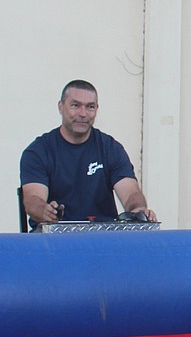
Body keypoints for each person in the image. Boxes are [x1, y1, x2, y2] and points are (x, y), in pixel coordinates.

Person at [20, 79, 157, 230]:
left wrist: (138, 210)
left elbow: (130, 192)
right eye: (75, 105)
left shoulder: (110, 148)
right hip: (53, 241)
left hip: (103, 238)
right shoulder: (38, 151)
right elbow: (33, 200)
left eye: (90, 107)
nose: (83, 113)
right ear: (61, 107)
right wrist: (45, 211)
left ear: (97, 109)